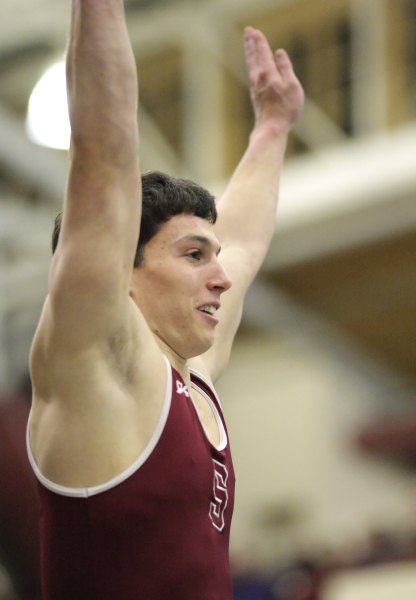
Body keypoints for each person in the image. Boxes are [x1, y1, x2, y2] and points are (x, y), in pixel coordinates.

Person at [27, 1, 304, 599]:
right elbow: (103, 151)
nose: (222, 278)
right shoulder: (100, 362)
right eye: (194, 255)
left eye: (212, 256)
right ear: (120, 273)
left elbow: (245, 243)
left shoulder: (193, 374)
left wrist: (272, 129)